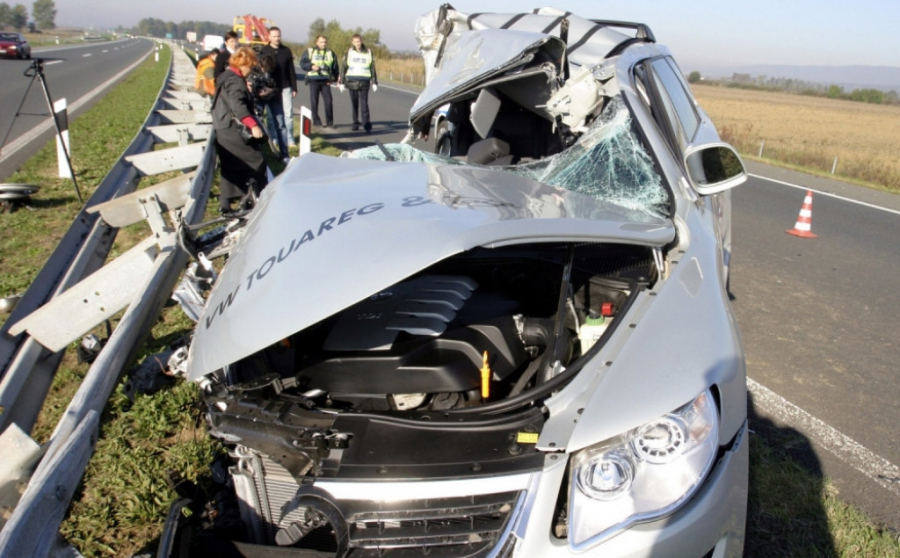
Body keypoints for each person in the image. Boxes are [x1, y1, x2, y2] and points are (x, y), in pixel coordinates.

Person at [211, 47, 268, 215]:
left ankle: (226, 204)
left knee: (230, 164)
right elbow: (238, 105)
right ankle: (254, 199)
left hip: (222, 126)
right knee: (255, 160)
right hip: (231, 128)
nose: (251, 70)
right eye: (250, 66)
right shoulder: (235, 81)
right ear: (242, 65)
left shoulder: (226, 76)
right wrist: (252, 125)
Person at [260, 27, 298, 149]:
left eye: (278, 36)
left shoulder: (286, 50)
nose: (277, 38)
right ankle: (274, 138)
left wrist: (294, 87)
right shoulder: (264, 50)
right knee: (271, 116)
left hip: (285, 86)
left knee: (288, 114)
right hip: (271, 88)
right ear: (269, 37)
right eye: (274, 36)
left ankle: (289, 139)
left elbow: (291, 70)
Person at [300, 35, 339, 129]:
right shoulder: (310, 51)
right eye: (321, 42)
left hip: (326, 81)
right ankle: (316, 121)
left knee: (328, 102)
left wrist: (333, 79)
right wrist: (311, 66)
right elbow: (303, 63)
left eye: (325, 42)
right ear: (317, 42)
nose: (323, 44)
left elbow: (335, 67)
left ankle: (330, 122)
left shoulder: (330, 53)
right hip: (314, 80)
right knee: (314, 101)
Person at [341, 34, 378, 133]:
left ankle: (366, 125)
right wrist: (342, 82)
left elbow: (372, 67)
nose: (357, 43)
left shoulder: (368, 52)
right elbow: (344, 67)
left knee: (364, 104)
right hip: (352, 80)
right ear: (352, 42)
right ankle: (355, 123)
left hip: (364, 80)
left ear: (362, 41)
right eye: (355, 42)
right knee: (354, 103)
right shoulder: (349, 52)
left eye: (359, 41)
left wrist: (374, 81)